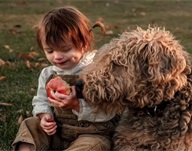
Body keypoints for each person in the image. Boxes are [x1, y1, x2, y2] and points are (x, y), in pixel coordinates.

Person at [12, 6, 116, 151]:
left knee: (94, 146)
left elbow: (108, 111)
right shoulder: (48, 74)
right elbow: (41, 100)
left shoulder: (97, 70)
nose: (57, 56)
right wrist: (44, 117)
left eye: (66, 49)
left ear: (84, 44)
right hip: (58, 132)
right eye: (50, 51)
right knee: (30, 124)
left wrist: (77, 105)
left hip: (93, 133)